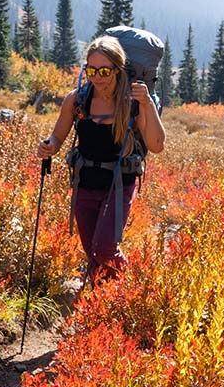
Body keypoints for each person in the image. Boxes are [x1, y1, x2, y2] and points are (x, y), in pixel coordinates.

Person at [37, 35, 166, 284]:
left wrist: (147, 103)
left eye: (104, 70)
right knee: (92, 255)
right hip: (84, 184)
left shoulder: (132, 103)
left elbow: (157, 145)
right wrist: (48, 147)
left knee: (105, 248)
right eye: (92, 70)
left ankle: (127, 286)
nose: (97, 77)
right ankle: (100, 301)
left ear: (118, 70)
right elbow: (57, 137)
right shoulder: (77, 99)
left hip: (118, 185)